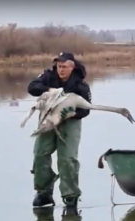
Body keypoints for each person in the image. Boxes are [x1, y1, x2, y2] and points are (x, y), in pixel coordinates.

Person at [27, 52, 92, 208]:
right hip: (47, 119)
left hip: (69, 123)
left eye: (64, 66)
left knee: (67, 159)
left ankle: (70, 195)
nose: (60, 69)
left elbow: (86, 110)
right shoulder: (48, 76)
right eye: (58, 66)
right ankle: (44, 192)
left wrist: (69, 114)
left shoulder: (80, 86)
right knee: (40, 154)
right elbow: (32, 87)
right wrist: (50, 90)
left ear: (72, 67)